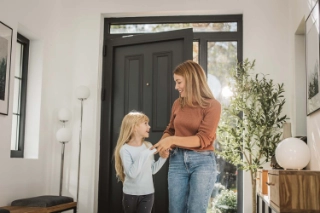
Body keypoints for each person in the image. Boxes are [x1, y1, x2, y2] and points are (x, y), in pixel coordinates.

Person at [151, 60, 222, 213]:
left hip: (202, 162)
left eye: (179, 82)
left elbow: (203, 139)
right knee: (175, 210)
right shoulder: (178, 103)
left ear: (191, 80)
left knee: (196, 210)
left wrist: (172, 140)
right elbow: (170, 129)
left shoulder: (213, 105)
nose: (176, 87)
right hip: (177, 161)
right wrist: (164, 145)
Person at [114, 111, 169, 213]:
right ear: (134, 127)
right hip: (130, 194)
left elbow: (152, 170)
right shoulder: (125, 149)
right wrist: (146, 153)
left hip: (148, 193)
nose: (149, 126)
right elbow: (132, 174)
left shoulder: (148, 145)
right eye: (145, 123)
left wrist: (163, 158)